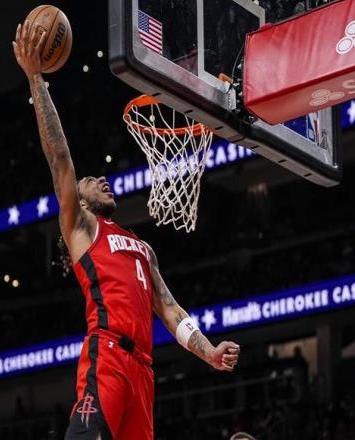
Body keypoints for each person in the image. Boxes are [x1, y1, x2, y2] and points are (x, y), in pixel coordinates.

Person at [12, 21, 240, 440]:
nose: (100, 179)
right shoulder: (81, 227)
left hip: (143, 373)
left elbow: (170, 310)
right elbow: (59, 159)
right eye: (89, 181)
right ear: (79, 202)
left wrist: (208, 351)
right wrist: (35, 79)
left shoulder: (142, 248)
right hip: (109, 355)